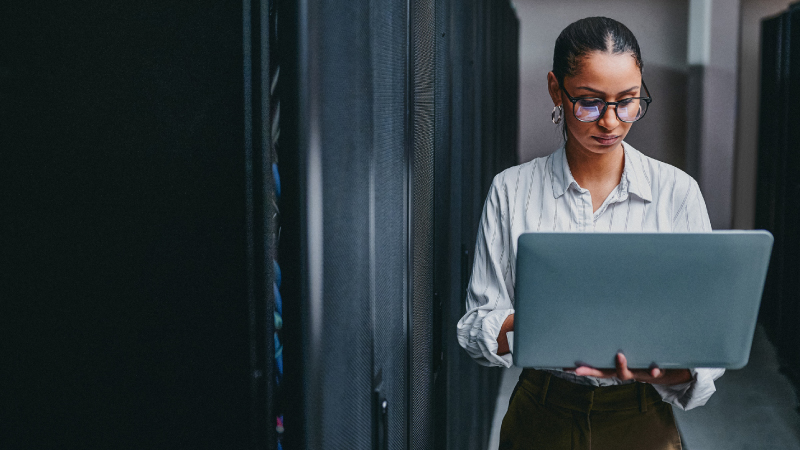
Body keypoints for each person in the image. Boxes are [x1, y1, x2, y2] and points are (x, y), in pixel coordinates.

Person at [456, 17, 725, 450]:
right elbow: (475, 327)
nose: (611, 122)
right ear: (555, 89)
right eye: (589, 102)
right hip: (541, 413)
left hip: (641, 416)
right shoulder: (511, 189)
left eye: (628, 101)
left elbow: (706, 342)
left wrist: (659, 371)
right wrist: (543, 328)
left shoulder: (677, 192)